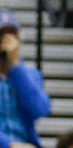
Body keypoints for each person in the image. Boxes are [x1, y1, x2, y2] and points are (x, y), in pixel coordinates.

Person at [0, 11, 49, 148]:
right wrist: (9, 144)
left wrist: (16, 65)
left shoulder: (30, 74)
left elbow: (40, 109)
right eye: (2, 35)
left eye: (11, 35)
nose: (6, 41)